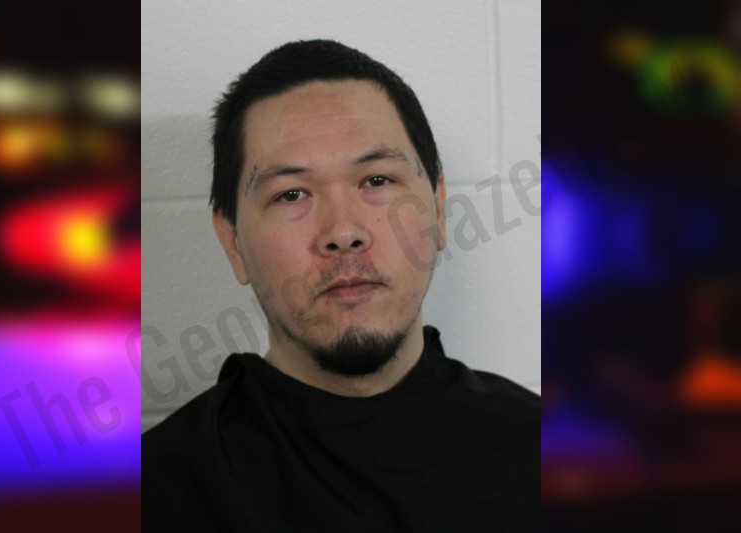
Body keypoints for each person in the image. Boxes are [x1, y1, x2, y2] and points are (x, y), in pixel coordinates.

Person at [142, 39, 539, 532]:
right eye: (291, 194)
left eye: (377, 181)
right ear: (233, 243)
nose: (343, 232)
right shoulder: (155, 494)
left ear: (437, 209)